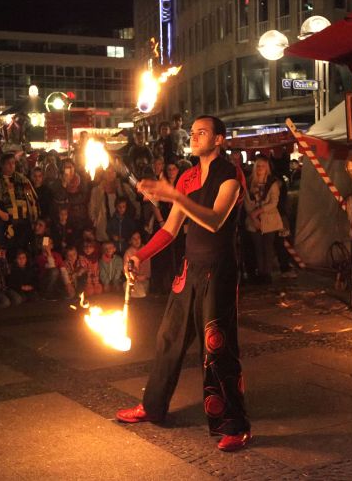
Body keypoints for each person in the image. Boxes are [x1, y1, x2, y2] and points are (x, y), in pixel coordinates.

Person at [115, 115, 251, 452]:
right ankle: (153, 406)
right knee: (168, 337)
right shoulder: (188, 178)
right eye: (192, 133)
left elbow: (215, 220)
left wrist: (174, 195)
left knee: (217, 347)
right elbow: (171, 229)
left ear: (219, 139)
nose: (194, 137)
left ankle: (235, 425)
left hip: (218, 271)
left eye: (202, 132)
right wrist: (140, 255)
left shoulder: (230, 175)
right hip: (190, 268)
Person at [244, 155, 285, 285]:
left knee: (267, 248)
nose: (260, 168)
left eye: (263, 166)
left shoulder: (272, 183)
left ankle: (267, 273)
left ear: (267, 168)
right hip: (253, 220)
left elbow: (274, 202)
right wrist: (253, 217)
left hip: (269, 220)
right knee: (258, 248)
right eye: (258, 166)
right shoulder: (249, 183)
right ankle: (261, 273)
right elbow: (247, 201)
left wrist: (259, 211)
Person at [0, 153, 39, 253]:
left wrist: (34, 218)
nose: (11, 166)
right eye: (8, 163)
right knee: (10, 250)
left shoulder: (23, 179)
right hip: (7, 223)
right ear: (2, 165)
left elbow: (31, 199)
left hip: (23, 221)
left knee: (24, 250)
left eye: (13, 163)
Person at [124, 231, 150, 298]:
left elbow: (147, 269)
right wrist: (132, 278)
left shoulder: (146, 249)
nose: (137, 240)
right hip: (133, 280)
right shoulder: (128, 252)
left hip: (144, 280)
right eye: (134, 238)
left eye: (138, 238)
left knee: (142, 292)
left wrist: (143, 277)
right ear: (130, 241)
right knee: (127, 285)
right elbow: (126, 269)